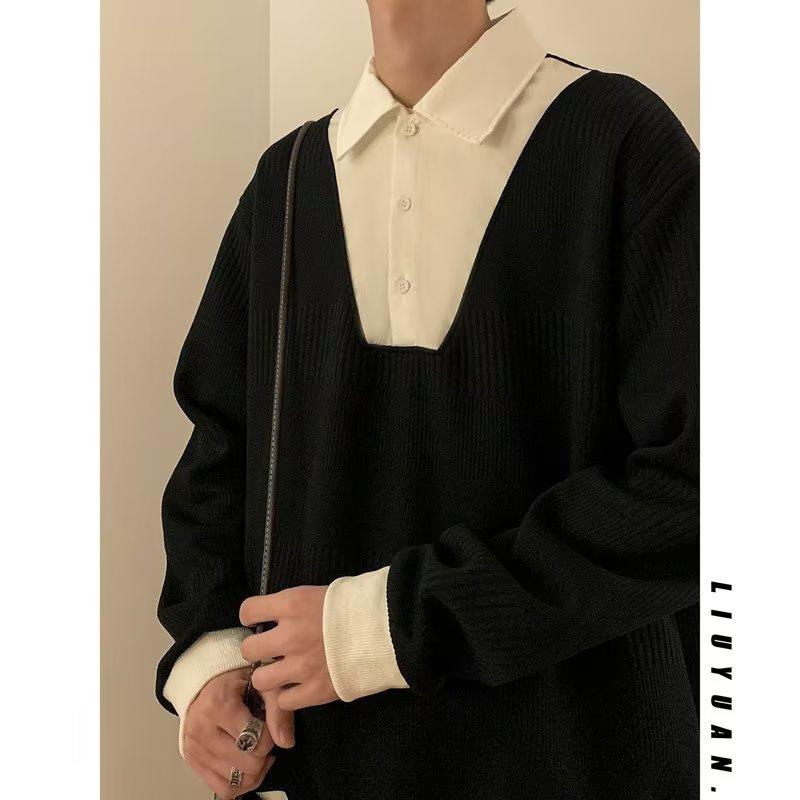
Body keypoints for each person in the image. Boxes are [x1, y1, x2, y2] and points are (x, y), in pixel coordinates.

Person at [155, 2, 700, 799]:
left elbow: (698, 483)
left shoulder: (619, 142)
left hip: (582, 757)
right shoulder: (290, 179)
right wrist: (208, 661)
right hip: (332, 767)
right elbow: (218, 451)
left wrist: (378, 629)